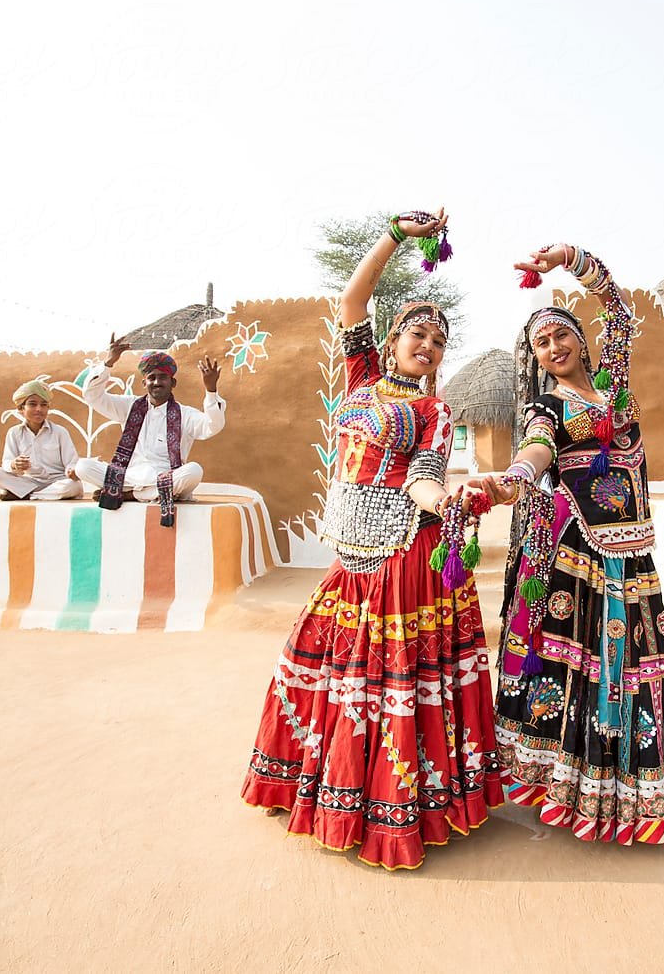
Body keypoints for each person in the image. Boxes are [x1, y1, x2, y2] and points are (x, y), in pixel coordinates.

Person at [241, 209, 503, 871]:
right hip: (351, 551)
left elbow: (422, 475)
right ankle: (312, 784)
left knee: (388, 685)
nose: (430, 346)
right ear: (391, 341)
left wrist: (445, 500)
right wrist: (396, 233)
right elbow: (352, 296)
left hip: (402, 555)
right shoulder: (360, 378)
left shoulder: (434, 412)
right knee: (318, 660)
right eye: (419, 333)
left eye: (440, 343)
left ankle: (385, 813)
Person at [475, 243, 664, 845]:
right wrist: (516, 476)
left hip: (632, 550)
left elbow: (620, 312)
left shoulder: (613, 387)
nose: (554, 348)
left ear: (581, 340)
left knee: (634, 666)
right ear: (537, 359)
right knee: (585, 663)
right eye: (542, 344)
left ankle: (633, 789)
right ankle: (572, 784)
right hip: (581, 552)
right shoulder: (548, 405)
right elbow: (538, 447)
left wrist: (572, 258)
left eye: (561, 335)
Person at [71, 346, 224, 526]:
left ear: (172, 383)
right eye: (151, 378)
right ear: (144, 383)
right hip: (128, 477)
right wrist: (109, 363)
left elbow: (212, 426)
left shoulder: (185, 414)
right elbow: (92, 396)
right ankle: (147, 494)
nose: (157, 382)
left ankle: (130, 495)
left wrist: (211, 390)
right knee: (83, 466)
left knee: (194, 471)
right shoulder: (128, 406)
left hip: (167, 477)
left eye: (162, 377)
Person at [0, 379, 83, 501]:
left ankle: (29, 496)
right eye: (33, 404)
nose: (39, 409)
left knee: (74, 486)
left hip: (57, 482)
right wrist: (14, 464)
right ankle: (34, 493)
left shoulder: (60, 432)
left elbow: (71, 462)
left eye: (44, 405)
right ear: (21, 409)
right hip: (30, 482)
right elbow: (7, 463)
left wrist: (72, 471)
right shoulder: (14, 433)